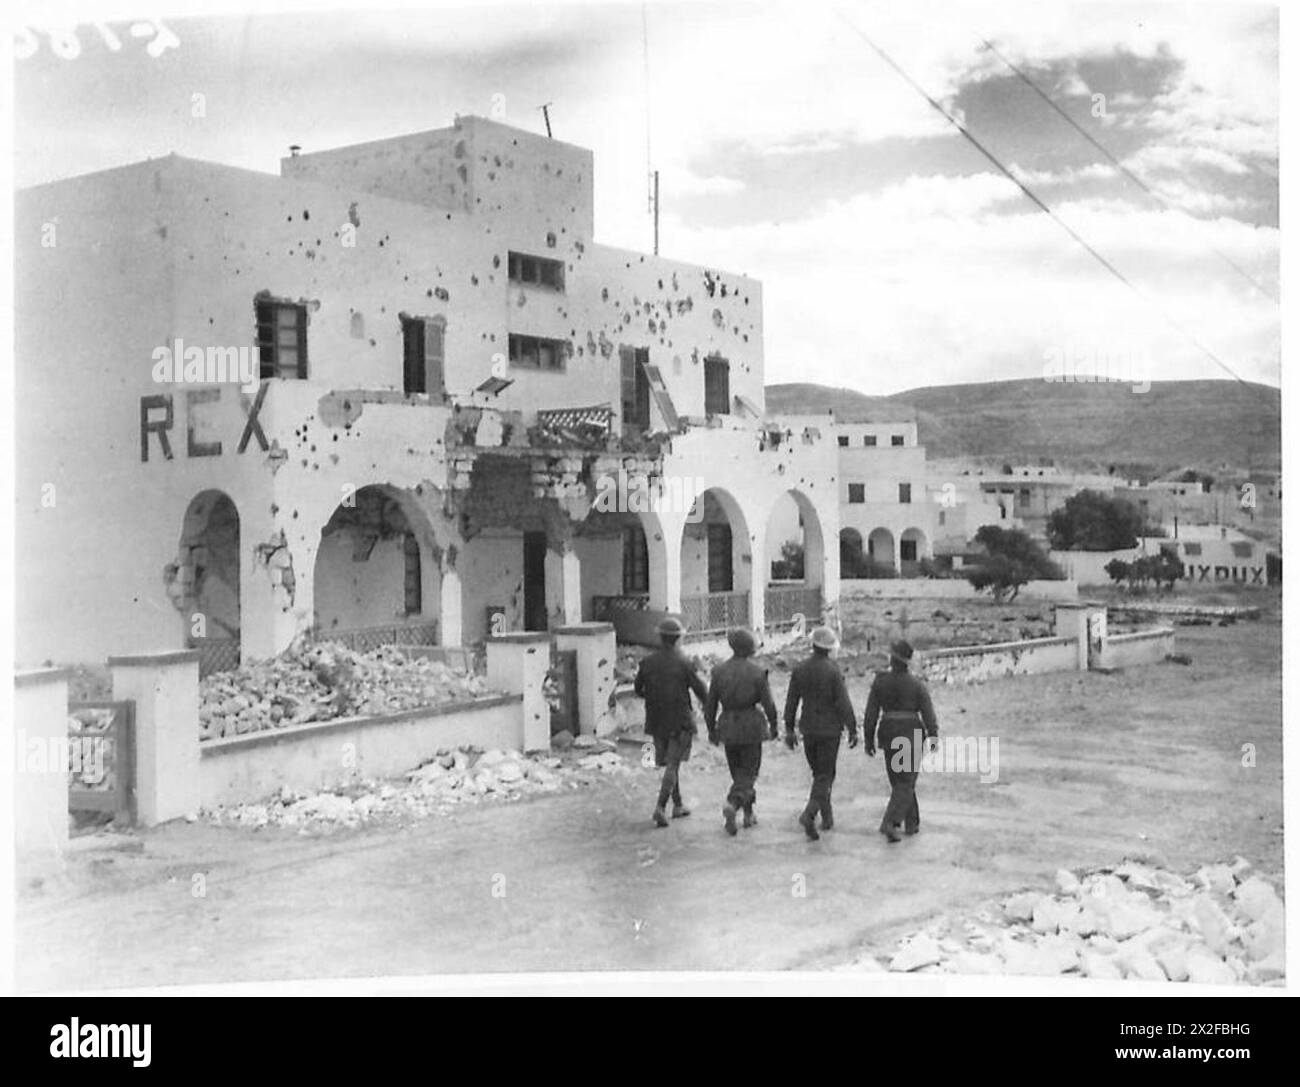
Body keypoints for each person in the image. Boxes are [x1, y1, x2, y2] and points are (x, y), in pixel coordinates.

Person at [783, 626, 857, 841]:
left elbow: (791, 702)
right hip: (829, 730)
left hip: (808, 728)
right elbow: (843, 703)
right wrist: (852, 727)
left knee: (819, 775)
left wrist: (789, 729)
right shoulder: (833, 671)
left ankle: (827, 817)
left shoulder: (800, 669)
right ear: (830, 648)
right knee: (826, 776)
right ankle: (810, 813)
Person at [634, 616, 708, 828]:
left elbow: (638, 689)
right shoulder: (684, 662)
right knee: (673, 765)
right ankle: (660, 807)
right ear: (678, 639)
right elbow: (700, 689)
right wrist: (708, 707)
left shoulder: (647, 663)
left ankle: (678, 805)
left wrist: (654, 697)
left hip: (657, 720)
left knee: (669, 763)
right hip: (680, 720)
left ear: (660, 637)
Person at [705, 628, 779, 836]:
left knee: (738, 772)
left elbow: (710, 706)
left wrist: (711, 729)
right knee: (749, 774)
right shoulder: (757, 672)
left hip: (727, 725)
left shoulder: (719, 671)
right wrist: (774, 725)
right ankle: (733, 803)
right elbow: (769, 704)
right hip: (751, 726)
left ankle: (748, 814)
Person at [863, 639, 938, 843]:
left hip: (888, 732)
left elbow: (870, 714)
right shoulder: (917, 685)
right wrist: (933, 736)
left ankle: (912, 823)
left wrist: (868, 739)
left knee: (899, 781)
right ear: (908, 662)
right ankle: (891, 822)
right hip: (910, 733)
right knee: (906, 782)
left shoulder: (880, 682)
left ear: (891, 659)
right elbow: (928, 714)